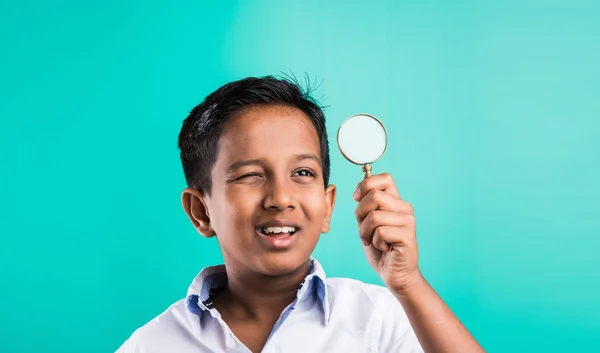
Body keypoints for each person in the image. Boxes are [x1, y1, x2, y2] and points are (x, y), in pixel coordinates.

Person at [116, 76, 484, 353]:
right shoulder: (151, 344)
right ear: (201, 212)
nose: (280, 198)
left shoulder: (380, 318)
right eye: (250, 176)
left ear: (327, 206)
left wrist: (408, 283)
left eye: (303, 173)